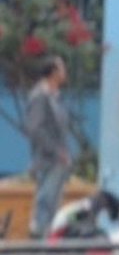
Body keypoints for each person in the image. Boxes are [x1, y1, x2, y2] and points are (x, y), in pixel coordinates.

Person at [24, 56, 73, 240]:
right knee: (45, 200)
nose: (64, 72)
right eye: (61, 68)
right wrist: (56, 150)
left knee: (53, 202)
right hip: (48, 158)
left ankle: (47, 240)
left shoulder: (55, 97)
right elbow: (36, 129)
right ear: (53, 73)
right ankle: (39, 240)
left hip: (58, 160)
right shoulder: (40, 97)